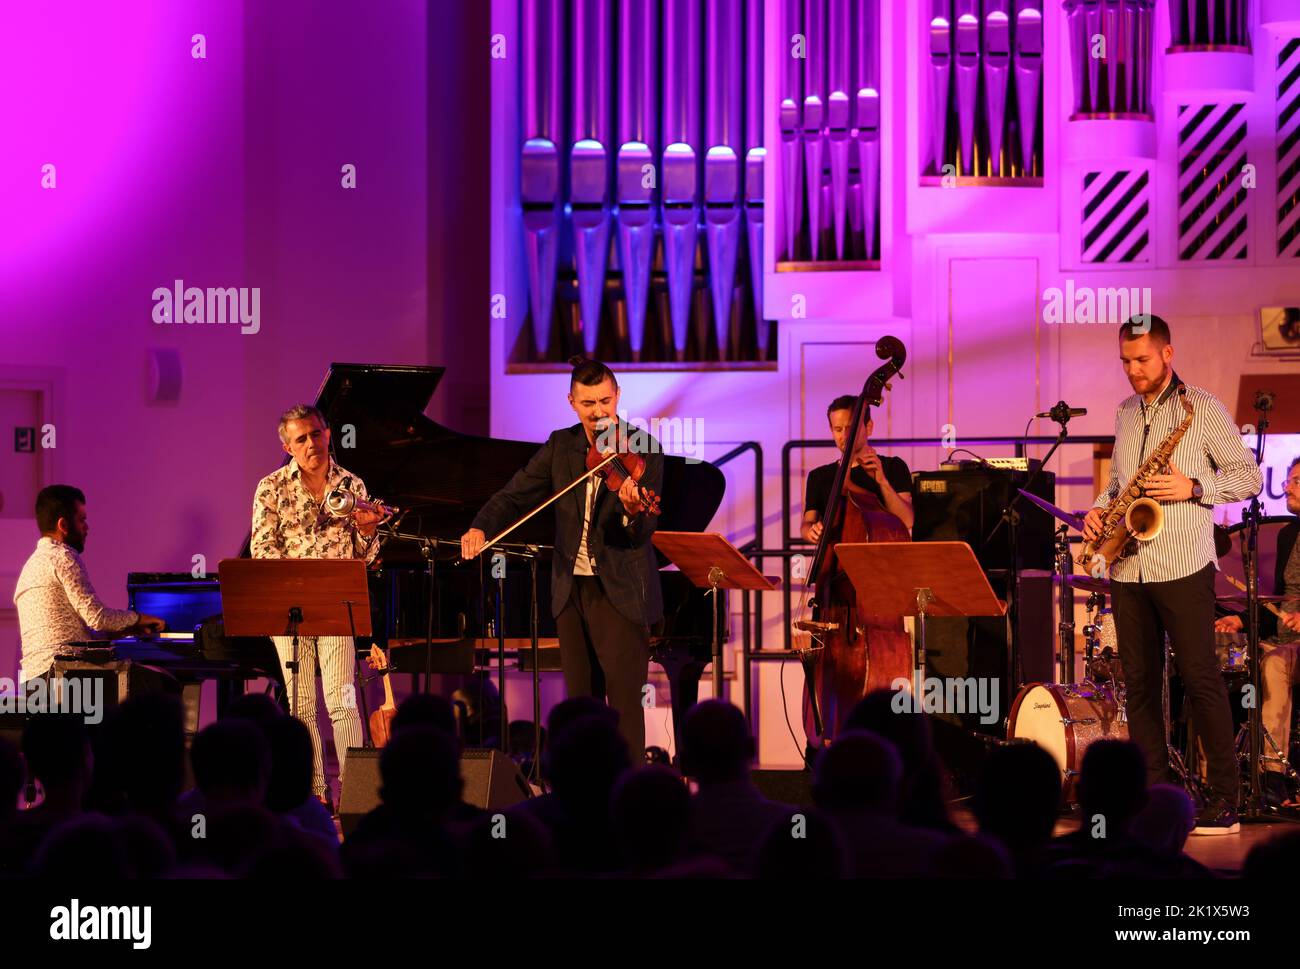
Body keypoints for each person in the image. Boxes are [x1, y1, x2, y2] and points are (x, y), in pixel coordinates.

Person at [1082, 316, 1262, 834]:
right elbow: (1119, 485)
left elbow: (1247, 476)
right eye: (1125, 361)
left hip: (1182, 563)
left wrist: (1193, 485)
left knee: (1201, 680)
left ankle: (1225, 799)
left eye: (1142, 360)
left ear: (1168, 353)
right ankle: (1155, 793)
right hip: (1129, 564)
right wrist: (1099, 508)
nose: (1133, 371)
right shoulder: (1124, 413)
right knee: (1139, 685)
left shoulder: (1201, 408)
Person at [460, 357, 663, 758]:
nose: (599, 411)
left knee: (624, 712)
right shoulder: (561, 446)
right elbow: (515, 494)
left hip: (620, 593)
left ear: (617, 396)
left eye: (605, 401)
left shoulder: (644, 449)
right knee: (581, 710)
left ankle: (627, 806)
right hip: (570, 590)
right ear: (572, 402)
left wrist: (633, 511)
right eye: (588, 403)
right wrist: (481, 525)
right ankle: (582, 804)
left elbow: (642, 536)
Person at [250, 404, 389, 808]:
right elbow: (262, 548)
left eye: (316, 434)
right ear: (287, 446)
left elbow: (366, 557)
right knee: (301, 703)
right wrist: (297, 583)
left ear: (328, 433)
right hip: (289, 605)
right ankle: (314, 793)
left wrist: (367, 532)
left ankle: (355, 793)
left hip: (335, 601)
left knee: (343, 697)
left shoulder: (351, 483)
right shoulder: (271, 486)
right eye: (301, 439)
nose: (311, 443)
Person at [1214, 455, 1300, 809]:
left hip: (1292, 649)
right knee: (1219, 658)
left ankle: (1273, 776)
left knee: (1275, 664)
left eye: (1295, 480)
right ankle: (1216, 775)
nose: (1287, 487)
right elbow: (1278, 599)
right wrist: (1242, 623)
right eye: (1288, 481)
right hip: (1280, 638)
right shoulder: (1288, 535)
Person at [14, 485, 164, 683]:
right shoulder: (63, 557)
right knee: (163, 687)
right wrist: (137, 618)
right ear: (63, 525)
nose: (87, 527)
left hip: (37, 683)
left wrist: (124, 630)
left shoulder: (30, 567)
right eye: (82, 520)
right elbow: (97, 617)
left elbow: (70, 635)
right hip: (67, 678)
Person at [801, 395, 914, 541]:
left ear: (869, 427)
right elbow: (807, 523)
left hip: (881, 560)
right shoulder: (819, 476)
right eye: (838, 429)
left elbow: (907, 521)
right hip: (835, 560)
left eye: (851, 428)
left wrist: (883, 482)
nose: (845, 435)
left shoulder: (893, 467)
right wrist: (810, 531)